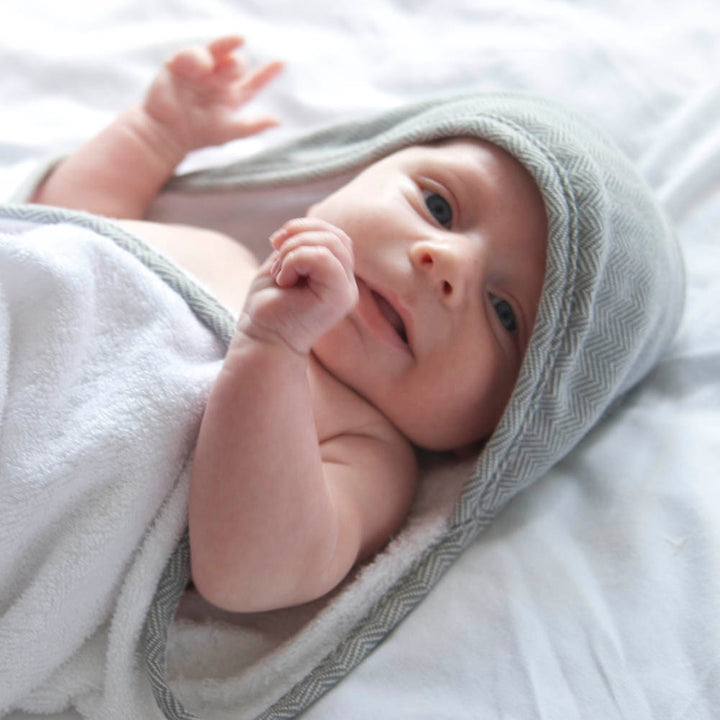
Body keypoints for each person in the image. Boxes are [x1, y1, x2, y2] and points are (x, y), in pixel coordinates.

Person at [32, 36, 547, 613]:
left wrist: (271, 348)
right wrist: (156, 134)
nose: (449, 264)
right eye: (440, 207)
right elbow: (61, 230)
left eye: (504, 313)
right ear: (354, 176)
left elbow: (249, 573)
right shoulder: (222, 251)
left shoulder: (369, 452)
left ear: (500, 424)